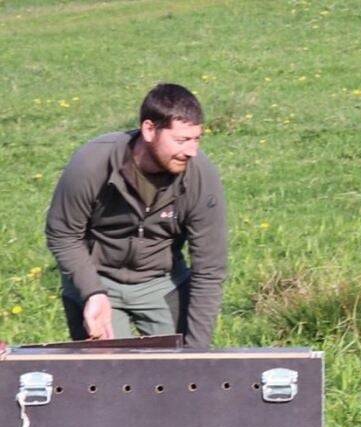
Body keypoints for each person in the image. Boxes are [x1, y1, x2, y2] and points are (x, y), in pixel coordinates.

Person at [45, 83, 227, 348]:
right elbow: (62, 233)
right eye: (181, 140)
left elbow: (209, 269)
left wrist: (196, 355)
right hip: (96, 277)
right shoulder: (93, 162)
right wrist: (92, 292)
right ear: (149, 129)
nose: (192, 151)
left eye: (196, 139)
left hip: (161, 282)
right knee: (112, 373)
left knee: (172, 375)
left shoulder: (201, 176)